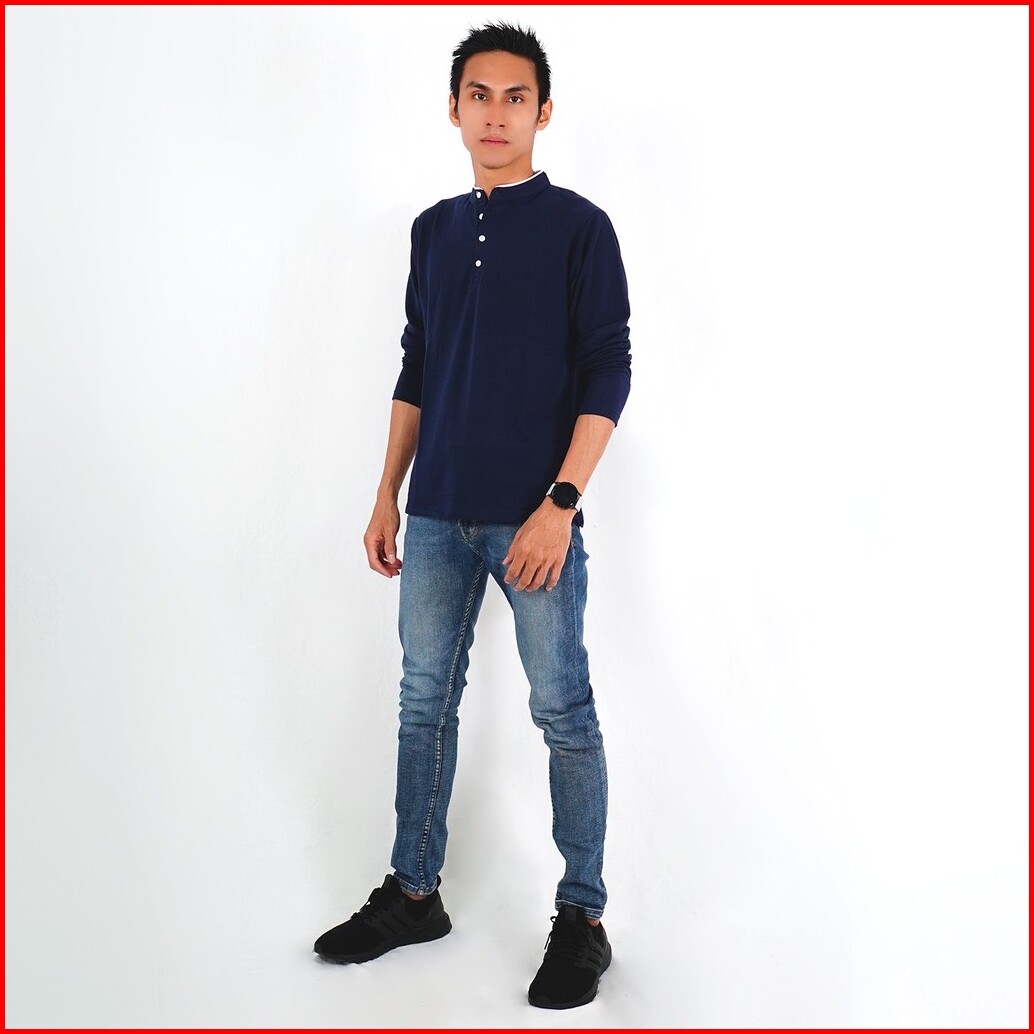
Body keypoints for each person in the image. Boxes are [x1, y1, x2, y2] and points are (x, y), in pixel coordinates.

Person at [313, 22, 632, 1011]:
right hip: (438, 513)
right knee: (422, 701)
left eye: (515, 97)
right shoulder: (433, 230)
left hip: (534, 518)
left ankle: (582, 917)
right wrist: (387, 490)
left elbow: (607, 369)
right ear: (453, 109)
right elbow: (418, 364)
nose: (496, 114)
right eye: (478, 96)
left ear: (544, 111)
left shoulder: (580, 227)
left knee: (562, 712)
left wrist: (560, 504)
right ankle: (414, 892)